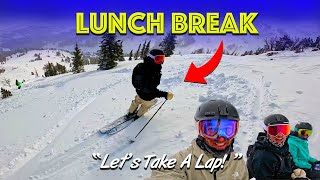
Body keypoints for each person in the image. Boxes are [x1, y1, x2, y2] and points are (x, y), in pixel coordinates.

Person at [147, 100, 249, 180]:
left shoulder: (238, 163)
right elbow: (165, 175)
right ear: (200, 131)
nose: (221, 138)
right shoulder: (179, 162)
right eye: (211, 130)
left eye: (228, 130)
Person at [247, 114, 308, 179]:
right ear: (266, 132)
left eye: (284, 130)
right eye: (274, 131)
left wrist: (296, 171)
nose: (280, 135)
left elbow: (290, 164)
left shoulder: (283, 147)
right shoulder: (263, 157)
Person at [126, 49, 173, 120]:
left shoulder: (140, 66)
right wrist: (165, 94)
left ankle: (130, 112)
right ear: (151, 58)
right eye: (158, 59)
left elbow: (135, 80)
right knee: (146, 106)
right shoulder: (153, 72)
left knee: (136, 101)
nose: (161, 62)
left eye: (162, 59)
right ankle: (138, 116)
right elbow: (151, 90)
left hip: (139, 92)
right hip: (147, 97)